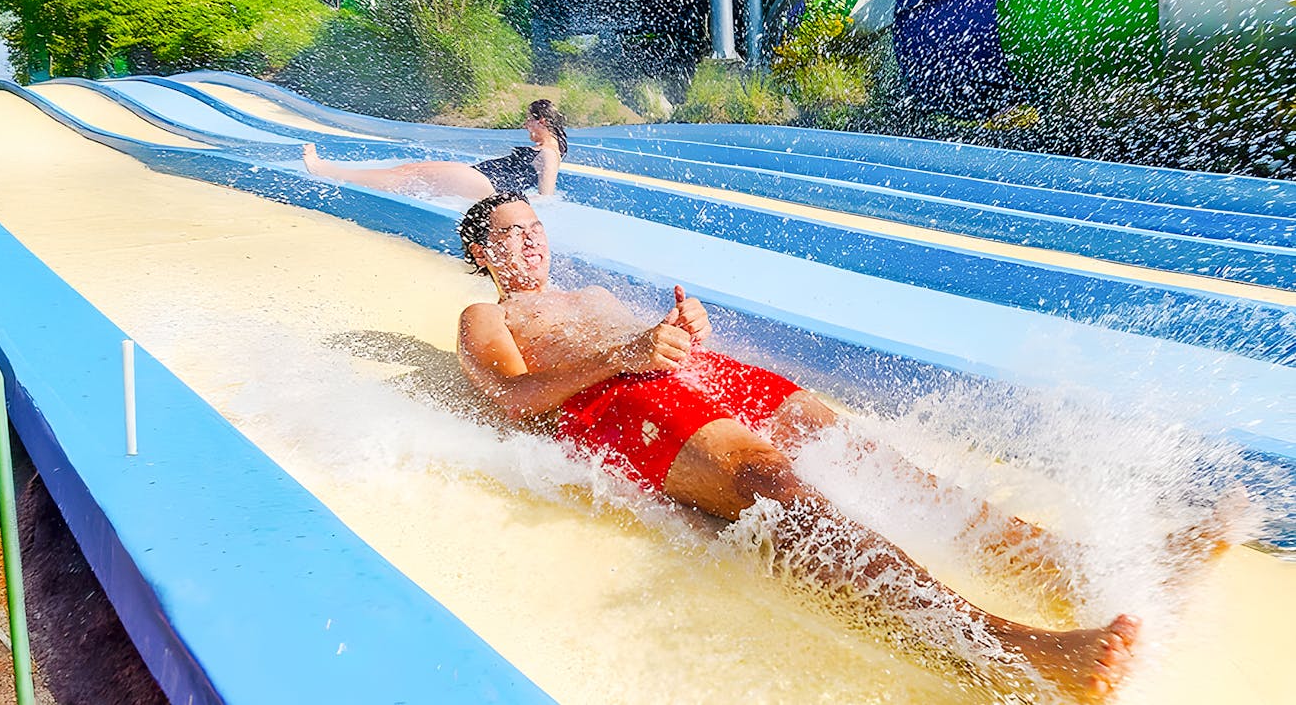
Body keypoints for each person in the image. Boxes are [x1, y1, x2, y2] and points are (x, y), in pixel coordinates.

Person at [453, 191, 1144, 699]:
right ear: (483, 252)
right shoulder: (484, 314)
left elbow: (642, 343)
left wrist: (681, 329)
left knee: (872, 459)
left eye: (537, 228)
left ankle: (1054, 560)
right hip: (622, 400)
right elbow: (512, 396)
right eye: (513, 234)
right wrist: (623, 356)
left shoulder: (594, 292)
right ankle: (1012, 649)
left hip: (696, 374)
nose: (532, 242)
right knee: (774, 486)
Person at [303, 99, 566, 199]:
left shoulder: (548, 154)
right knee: (410, 172)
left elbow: (546, 197)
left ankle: (327, 171)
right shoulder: (545, 149)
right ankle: (333, 171)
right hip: (480, 180)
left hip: (485, 183)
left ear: (542, 121)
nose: (525, 125)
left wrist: (506, 201)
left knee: (410, 176)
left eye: (529, 120)